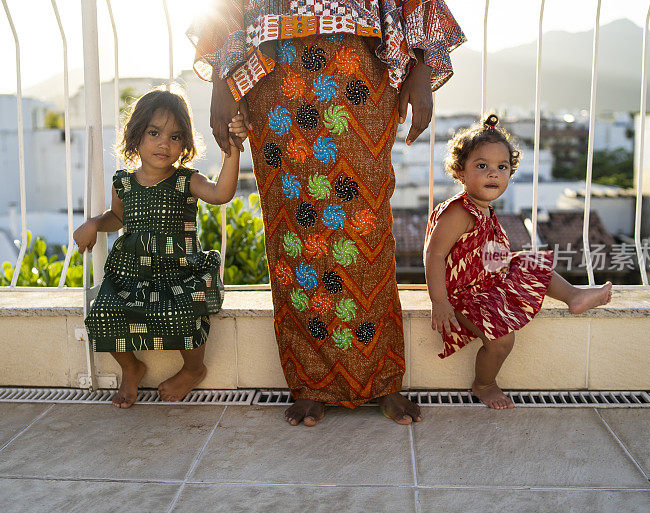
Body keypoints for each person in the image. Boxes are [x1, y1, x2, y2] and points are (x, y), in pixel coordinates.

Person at [189, 1, 466, 426]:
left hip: (359, 71)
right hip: (277, 75)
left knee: (365, 230)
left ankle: (383, 379)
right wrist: (220, 85)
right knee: (295, 240)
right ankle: (310, 382)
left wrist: (422, 71)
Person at [424, 114, 613, 410]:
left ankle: (574, 295)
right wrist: (440, 301)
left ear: (511, 174)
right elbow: (433, 254)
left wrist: (510, 265)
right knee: (501, 340)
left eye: (502, 167)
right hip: (463, 296)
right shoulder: (459, 211)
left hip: (487, 282)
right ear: (460, 172)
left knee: (530, 262)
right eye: (482, 166)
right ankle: (484, 383)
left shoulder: (484, 209)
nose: (493, 174)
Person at [74, 87, 247, 408]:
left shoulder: (186, 180)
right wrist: (94, 223)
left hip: (177, 273)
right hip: (131, 272)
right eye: (154, 132)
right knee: (103, 314)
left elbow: (222, 193)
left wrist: (233, 148)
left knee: (185, 316)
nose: (164, 143)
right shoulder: (123, 183)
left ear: (185, 144)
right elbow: (117, 217)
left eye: (176, 136)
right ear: (136, 135)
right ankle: (131, 367)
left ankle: (193, 369)